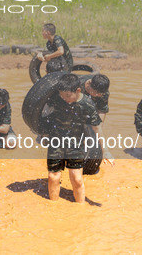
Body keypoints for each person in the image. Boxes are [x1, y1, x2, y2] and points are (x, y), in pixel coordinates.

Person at [41, 73, 114, 203]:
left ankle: (81, 208)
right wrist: (41, 132)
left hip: (76, 144)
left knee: (77, 179)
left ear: (78, 90)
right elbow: (39, 108)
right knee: (53, 177)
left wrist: (106, 151)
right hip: (56, 141)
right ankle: (53, 207)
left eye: (68, 96)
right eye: (62, 96)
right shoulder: (56, 98)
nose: (65, 99)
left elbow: (98, 128)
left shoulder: (88, 105)